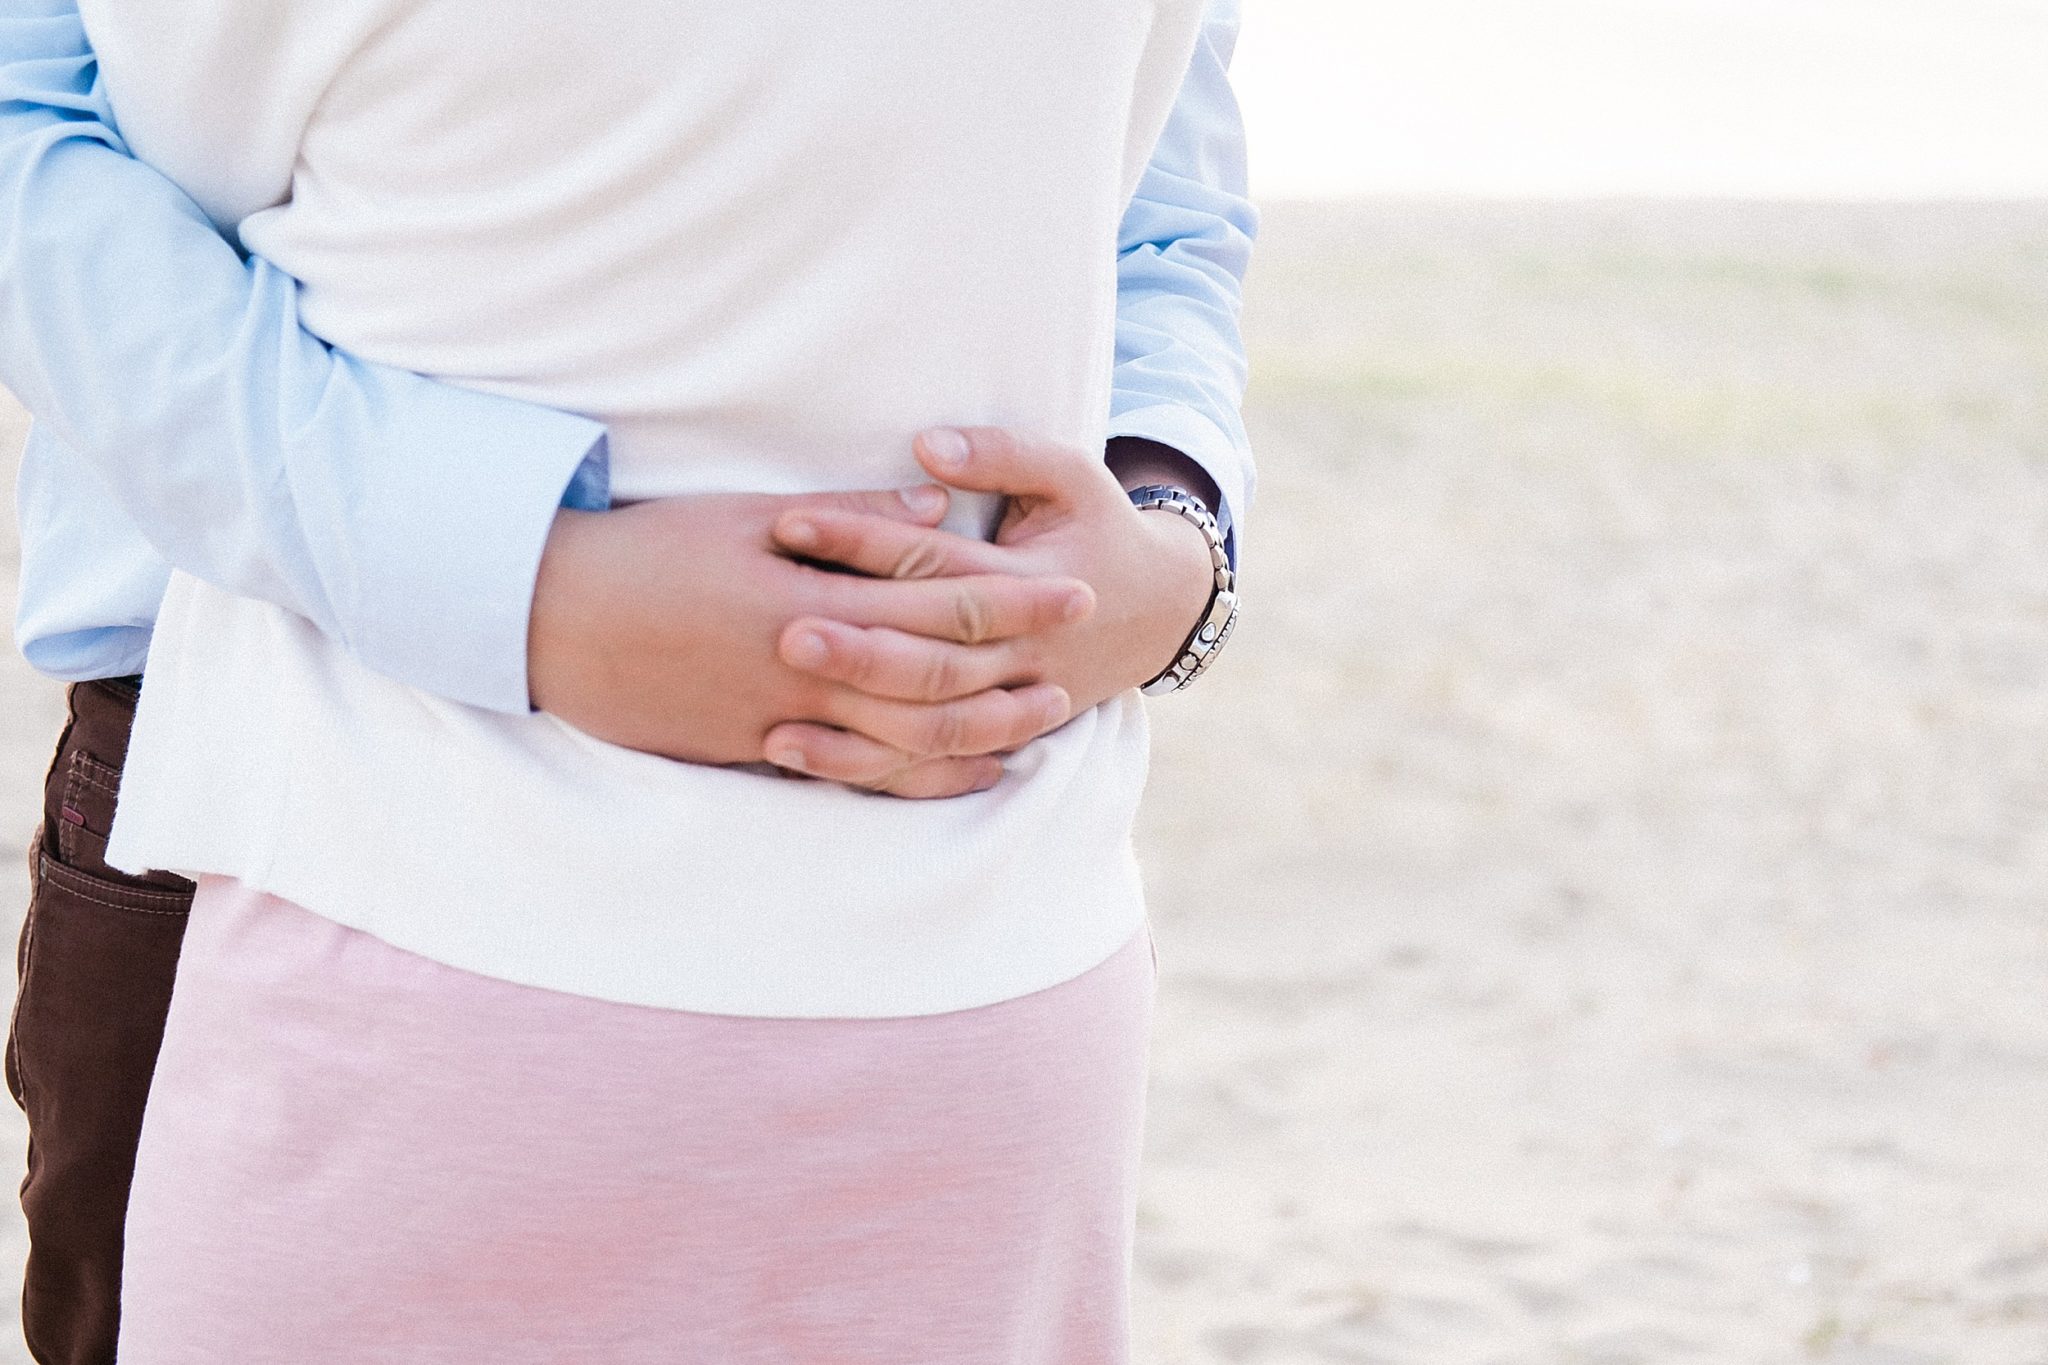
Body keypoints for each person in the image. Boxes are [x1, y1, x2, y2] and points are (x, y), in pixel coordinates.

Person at [0, 0, 1256, 1357]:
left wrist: (1174, 544)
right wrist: (512, 573)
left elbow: (1151, 187)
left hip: (981, 942)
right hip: (271, 818)